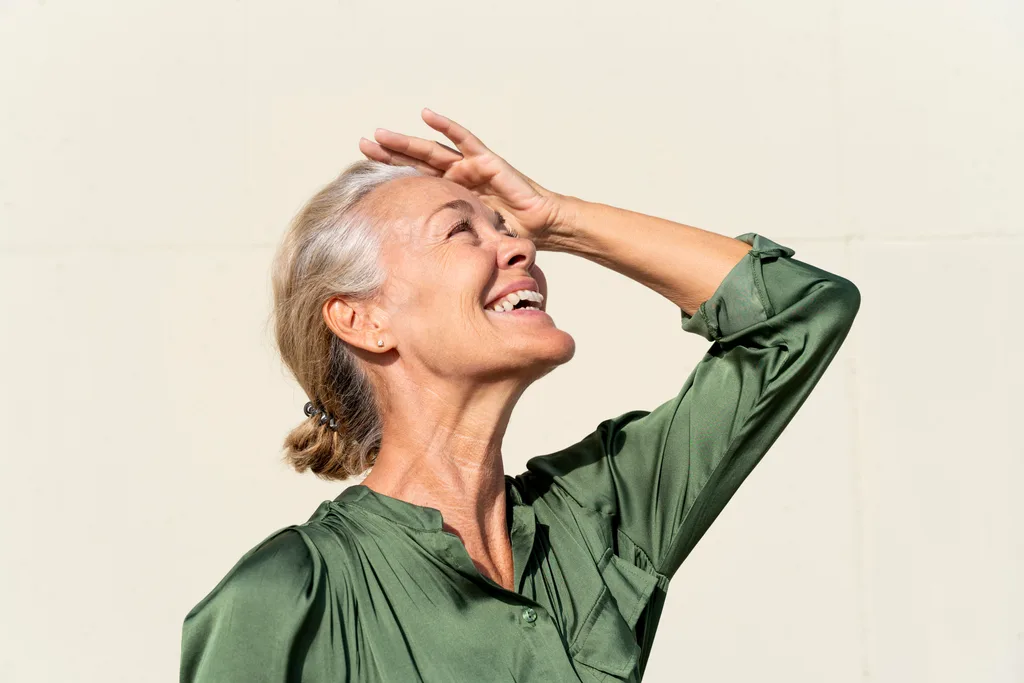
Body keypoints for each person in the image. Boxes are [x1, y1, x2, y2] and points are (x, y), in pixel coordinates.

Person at [179, 108, 860, 683]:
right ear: (364, 319)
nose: (520, 249)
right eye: (460, 231)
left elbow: (800, 315)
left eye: (510, 228)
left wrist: (560, 218)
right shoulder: (287, 596)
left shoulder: (599, 517)